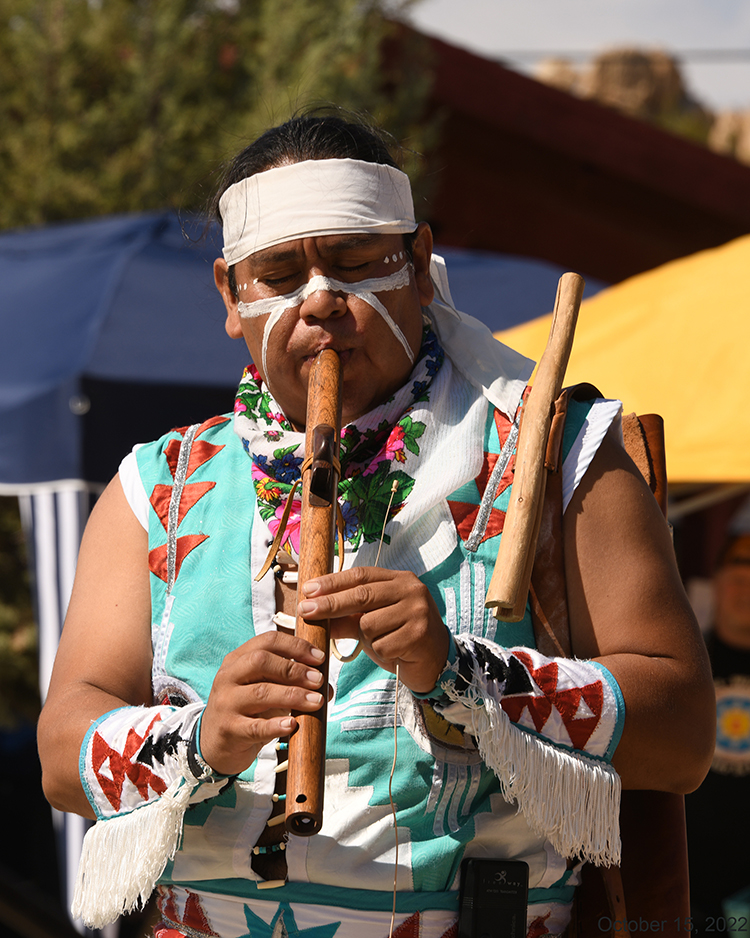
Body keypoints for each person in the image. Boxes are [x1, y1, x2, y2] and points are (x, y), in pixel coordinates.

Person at [37, 114, 715, 938]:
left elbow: (681, 734)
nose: (321, 301)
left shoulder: (554, 456)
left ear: (422, 269)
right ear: (229, 295)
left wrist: (464, 674)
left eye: (357, 264)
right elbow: (61, 753)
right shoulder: (160, 484)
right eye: (280, 274)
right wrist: (200, 737)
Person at [686, 533, 750, 930]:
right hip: (692, 892)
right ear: (716, 580)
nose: (746, 582)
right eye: (738, 567)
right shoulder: (685, 669)